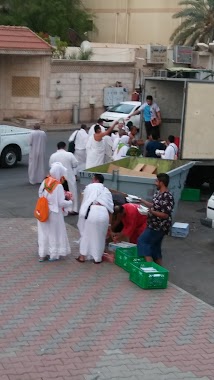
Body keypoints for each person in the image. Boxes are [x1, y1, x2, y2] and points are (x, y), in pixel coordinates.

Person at [37, 162, 73, 262]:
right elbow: (61, 203)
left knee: (43, 232)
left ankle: (42, 254)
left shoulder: (45, 182)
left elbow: (40, 194)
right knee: (54, 233)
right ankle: (53, 254)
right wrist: (70, 202)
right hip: (54, 212)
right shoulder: (58, 186)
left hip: (43, 211)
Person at [137, 173, 174, 265]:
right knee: (155, 247)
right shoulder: (158, 194)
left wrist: (151, 212)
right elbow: (154, 206)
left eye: (157, 181)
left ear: (161, 182)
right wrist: (142, 201)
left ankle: (150, 268)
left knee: (143, 241)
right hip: (153, 224)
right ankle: (159, 269)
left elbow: (165, 215)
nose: (155, 183)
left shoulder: (167, 197)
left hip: (159, 227)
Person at [77, 173, 114, 263]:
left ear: (96, 180)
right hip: (104, 213)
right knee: (100, 236)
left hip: (92, 212)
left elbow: (84, 200)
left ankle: (82, 257)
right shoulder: (106, 191)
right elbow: (110, 209)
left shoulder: (90, 187)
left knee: (86, 234)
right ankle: (97, 258)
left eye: (93, 179)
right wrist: (109, 225)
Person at [49, 142, 79, 215]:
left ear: (57, 147)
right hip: (69, 176)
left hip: (58, 177)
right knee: (72, 192)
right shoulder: (69, 154)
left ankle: (63, 209)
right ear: (65, 147)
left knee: (60, 193)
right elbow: (75, 164)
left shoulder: (53, 156)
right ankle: (73, 209)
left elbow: (51, 166)